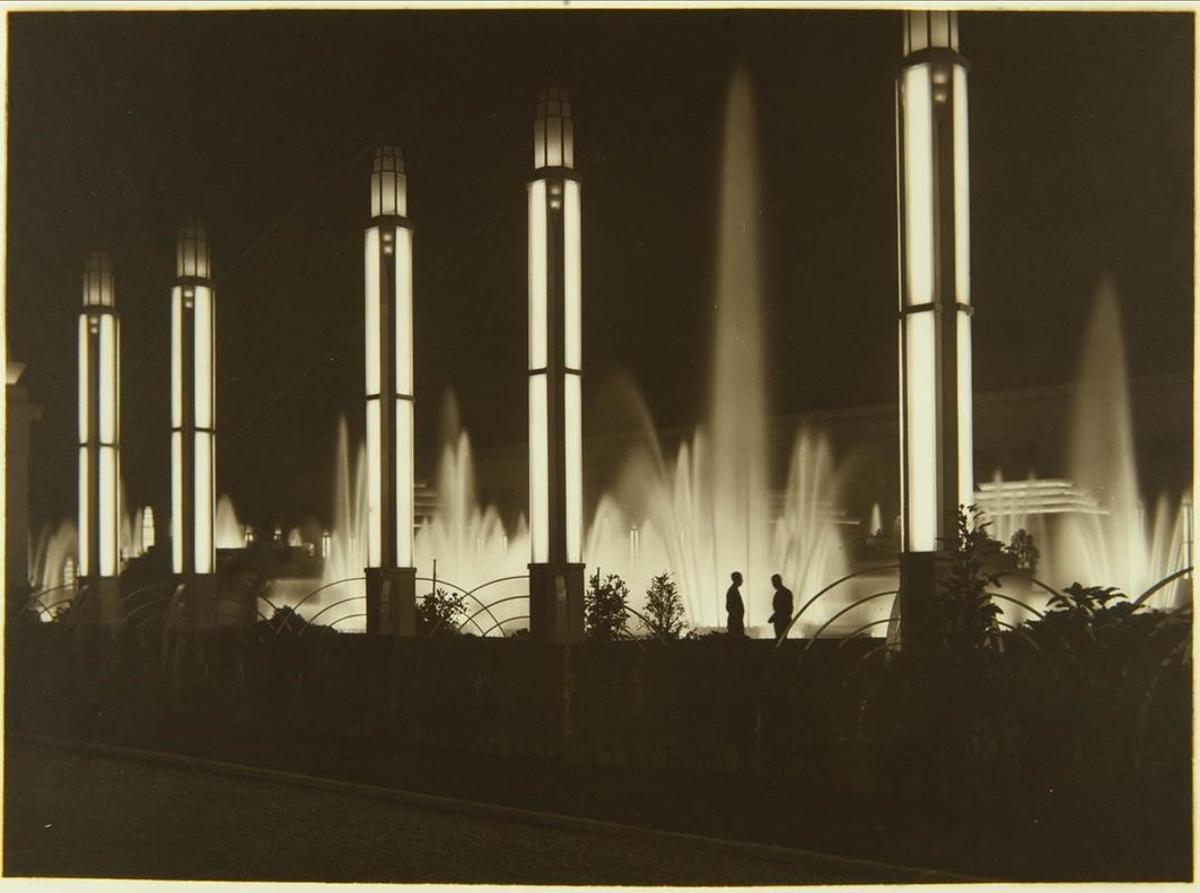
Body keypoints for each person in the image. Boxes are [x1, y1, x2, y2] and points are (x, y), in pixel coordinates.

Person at [769, 573, 794, 641]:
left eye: (774, 582)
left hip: (782, 620)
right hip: (782, 619)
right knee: (781, 639)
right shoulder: (785, 592)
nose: (773, 584)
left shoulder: (783, 592)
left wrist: (775, 616)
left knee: (780, 639)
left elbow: (783, 608)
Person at [725, 571, 745, 637]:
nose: (742, 580)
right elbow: (729, 607)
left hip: (735, 620)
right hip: (735, 622)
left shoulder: (733, 590)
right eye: (741, 578)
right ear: (737, 579)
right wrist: (737, 615)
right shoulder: (733, 591)